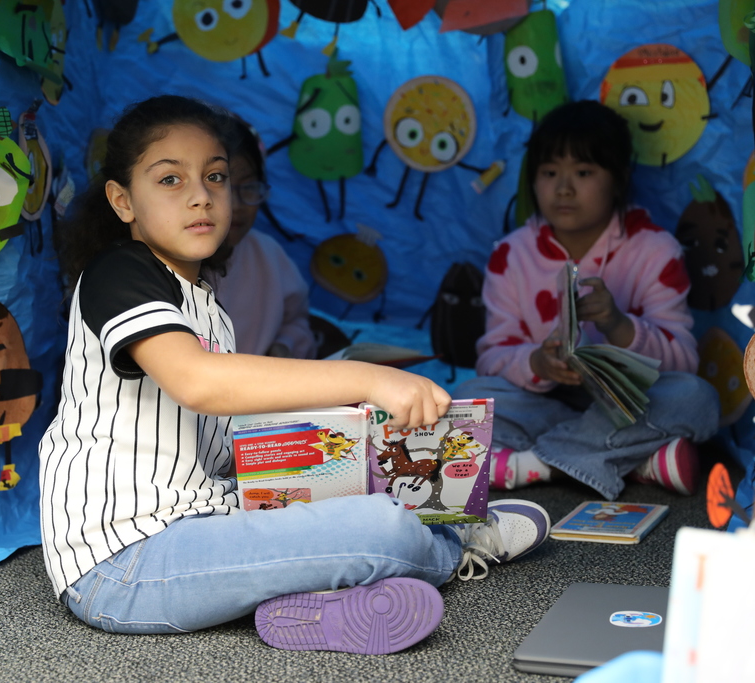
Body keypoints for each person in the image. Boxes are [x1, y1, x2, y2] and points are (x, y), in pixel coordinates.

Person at [41, 94, 551, 655]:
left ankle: (311, 605)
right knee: (386, 526)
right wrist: (366, 378)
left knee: (360, 487)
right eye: (169, 180)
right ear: (122, 201)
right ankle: (455, 541)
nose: (199, 195)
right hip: (122, 563)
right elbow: (200, 382)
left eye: (216, 177)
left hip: (200, 521)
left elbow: (233, 429)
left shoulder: (207, 304)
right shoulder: (120, 272)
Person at [450, 100, 719, 501]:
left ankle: (530, 466)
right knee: (466, 398)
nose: (563, 189)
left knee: (697, 397)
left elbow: (684, 360)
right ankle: (639, 459)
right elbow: (491, 356)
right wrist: (537, 363)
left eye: (584, 172)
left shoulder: (655, 250)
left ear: (619, 179)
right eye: (549, 173)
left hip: (627, 405)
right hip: (543, 403)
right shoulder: (512, 254)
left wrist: (618, 325)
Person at [212, 116, 318, 359]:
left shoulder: (269, 256)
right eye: (220, 187)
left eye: (248, 187)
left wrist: (284, 345)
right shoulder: (161, 270)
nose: (236, 206)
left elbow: (296, 322)